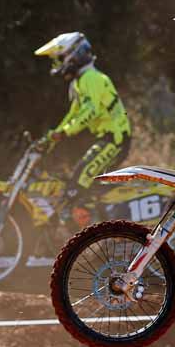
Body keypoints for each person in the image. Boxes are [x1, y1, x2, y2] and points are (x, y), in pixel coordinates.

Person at [33, 32, 131, 221]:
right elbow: (73, 114)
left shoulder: (91, 78)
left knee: (79, 180)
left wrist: (64, 132)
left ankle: (91, 228)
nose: (57, 63)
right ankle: (101, 223)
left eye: (60, 58)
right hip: (107, 139)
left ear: (74, 55)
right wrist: (52, 137)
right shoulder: (80, 81)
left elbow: (90, 111)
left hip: (115, 139)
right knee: (83, 182)